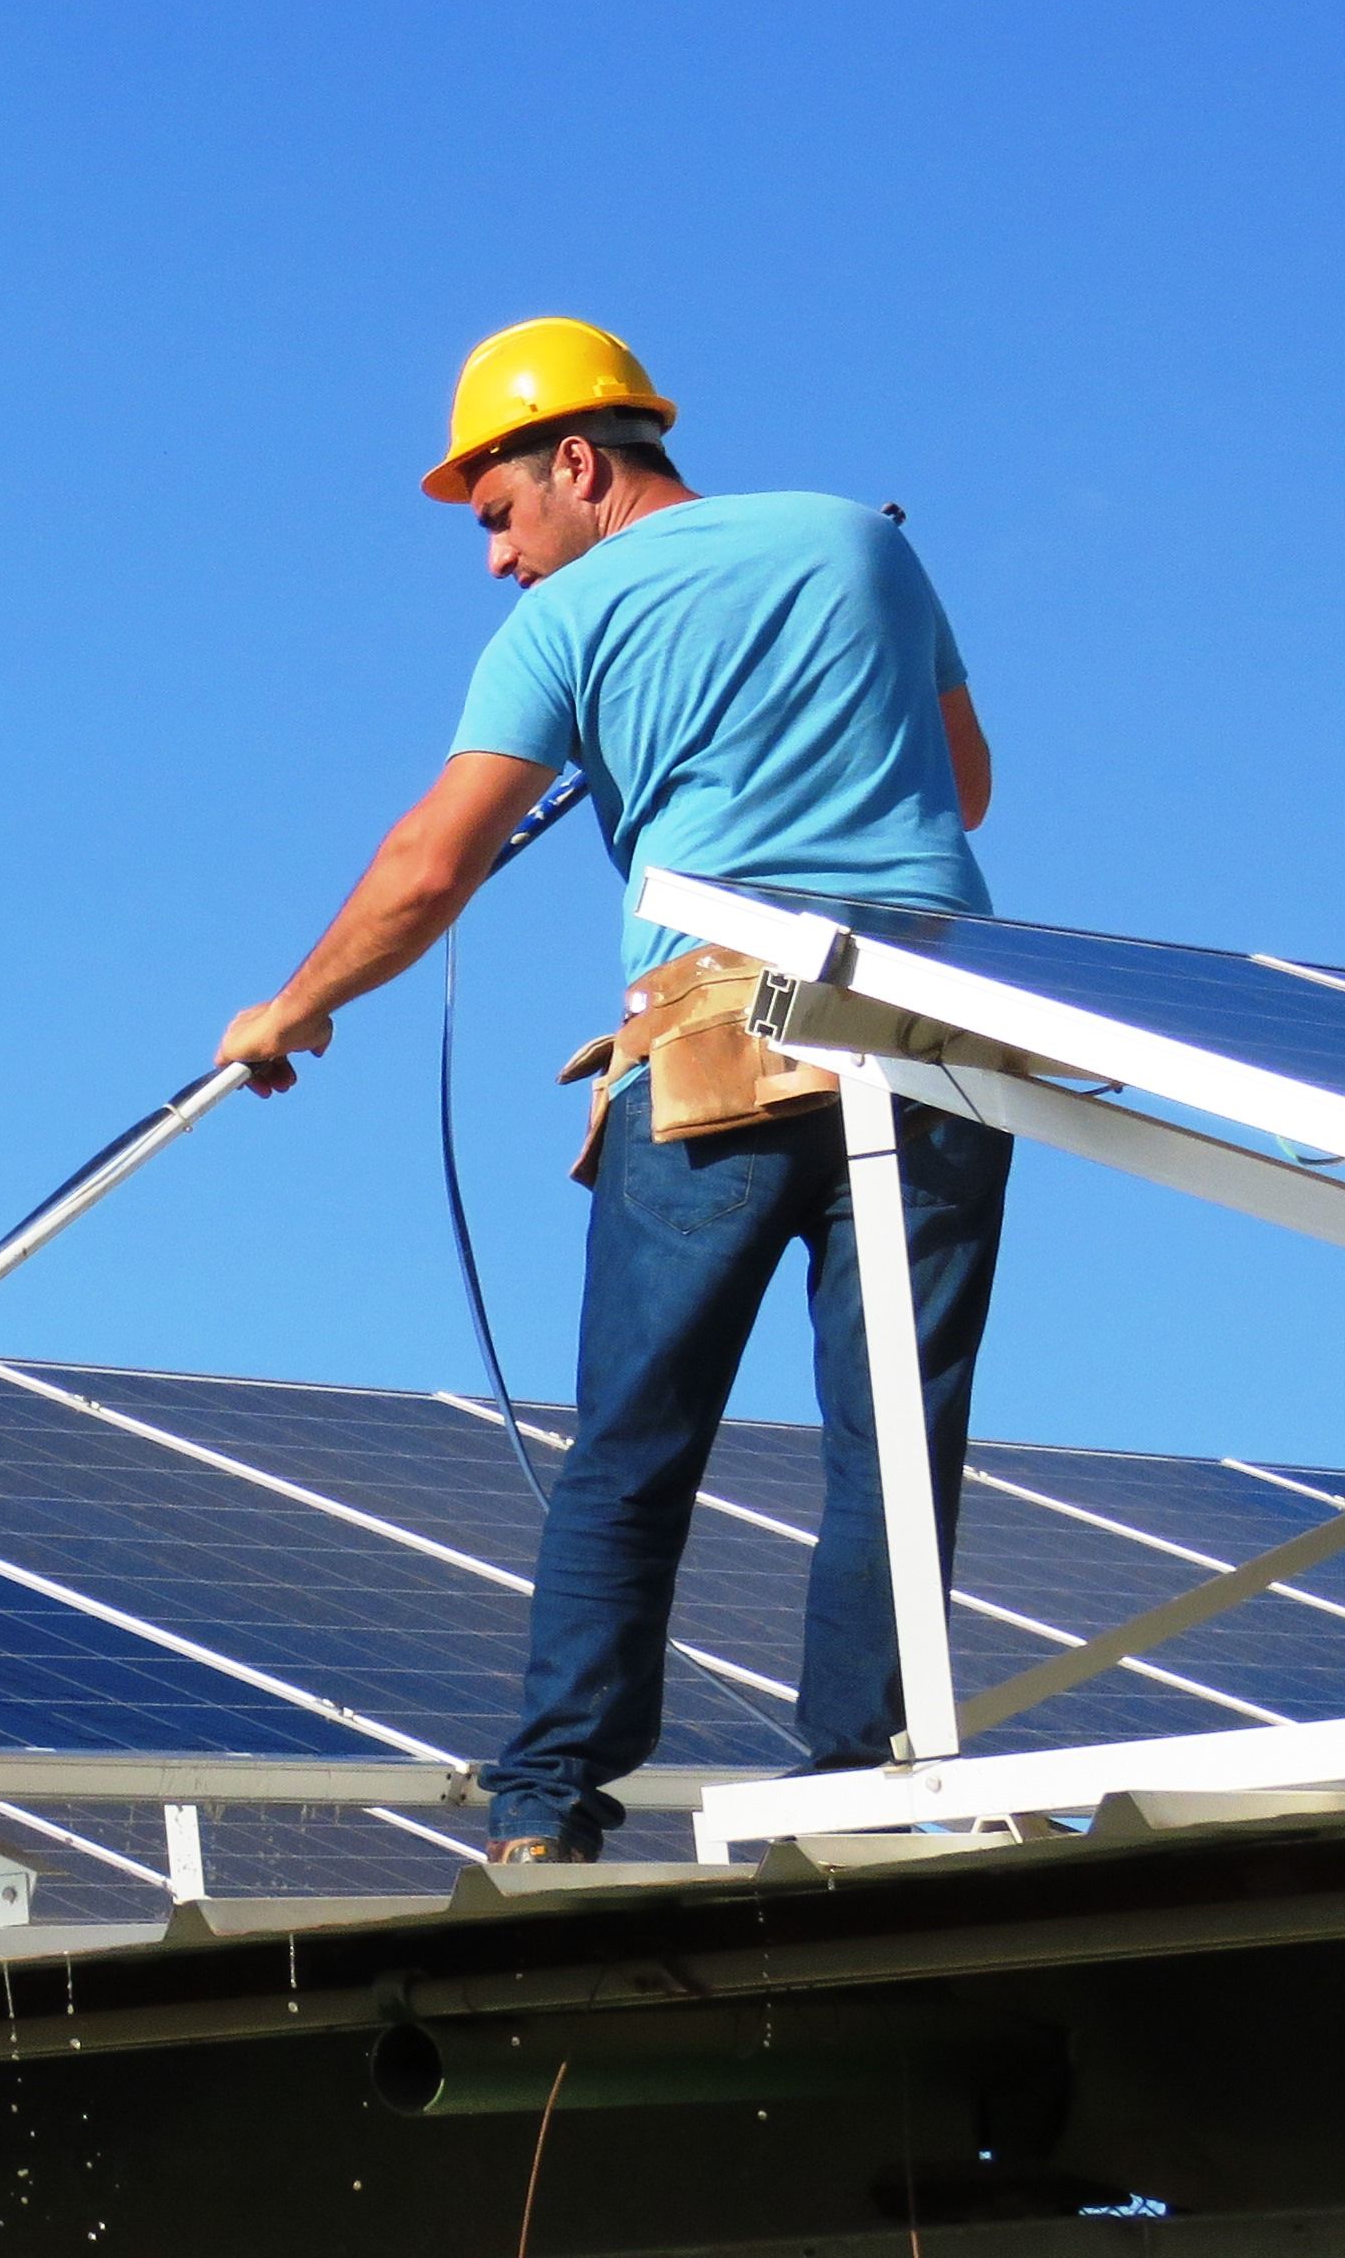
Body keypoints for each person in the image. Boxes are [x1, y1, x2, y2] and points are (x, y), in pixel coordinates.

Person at [215, 318, 1005, 1862]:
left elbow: (430, 863)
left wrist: (294, 1008)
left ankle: (547, 1805)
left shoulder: (563, 627)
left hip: (718, 1034)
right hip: (939, 1038)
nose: (498, 561)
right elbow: (959, 784)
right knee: (894, 1442)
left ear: (578, 463)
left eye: (501, 514)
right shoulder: (864, 544)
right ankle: (865, 1781)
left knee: (635, 1437)